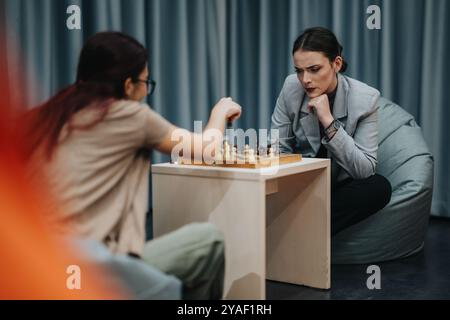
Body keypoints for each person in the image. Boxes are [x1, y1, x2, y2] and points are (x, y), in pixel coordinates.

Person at [23, 31, 242, 299]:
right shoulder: (128, 115)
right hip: (89, 269)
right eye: (145, 82)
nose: (145, 90)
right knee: (209, 240)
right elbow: (207, 149)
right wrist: (219, 112)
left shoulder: (46, 114)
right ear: (128, 85)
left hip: (31, 267)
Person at [271, 27, 391, 236]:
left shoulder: (366, 99)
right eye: (299, 70)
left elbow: (364, 169)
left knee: (378, 187)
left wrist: (328, 121)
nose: (305, 79)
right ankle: (305, 229)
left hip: (338, 186)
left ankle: (300, 231)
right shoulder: (291, 87)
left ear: (336, 64)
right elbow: (277, 147)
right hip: (301, 183)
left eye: (314, 69)